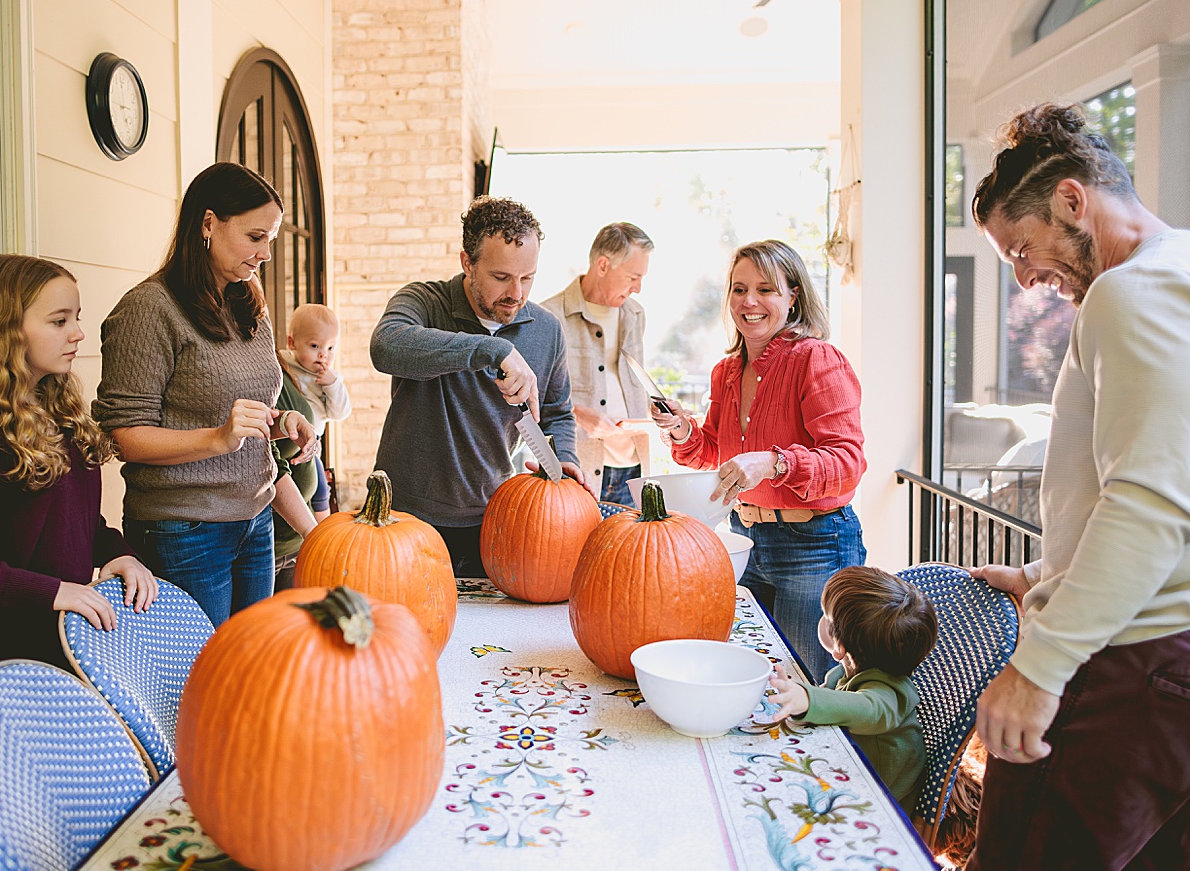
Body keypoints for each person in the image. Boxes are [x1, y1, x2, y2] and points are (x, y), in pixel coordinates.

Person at [965, 103, 1190, 870]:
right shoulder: (1181, 267)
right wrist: (1042, 573)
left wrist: (1038, 667)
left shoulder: (1128, 295)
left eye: (1022, 250)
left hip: (1124, 666)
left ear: (1072, 200)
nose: (1028, 280)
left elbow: (1152, 501)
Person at [0, 255, 159, 708]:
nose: (77, 333)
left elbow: (75, 521)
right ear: (4, 328)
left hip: (56, 651)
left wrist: (116, 554)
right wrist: (52, 591)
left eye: (76, 318)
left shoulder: (59, 410)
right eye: (59, 321)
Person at [93, 163, 318, 626]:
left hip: (255, 520)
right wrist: (218, 438)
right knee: (199, 684)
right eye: (256, 237)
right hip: (183, 532)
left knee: (247, 670)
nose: (266, 253)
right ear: (209, 223)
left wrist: (278, 422)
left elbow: (229, 407)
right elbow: (125, 436)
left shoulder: (246, 299)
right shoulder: (148, 309)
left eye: (270, 239)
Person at [650, 240, 867, 678]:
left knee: (810, 686)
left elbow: (848, 462)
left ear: (793, 297)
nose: (749, 301)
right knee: (752, 674)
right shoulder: (727, 371)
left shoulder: (815, 359)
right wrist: (682, 430)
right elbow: (715, 449)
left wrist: (773, 462)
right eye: (738, 289)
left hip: (815, 546)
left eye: (766, 289)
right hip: (746, 540)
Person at [370, 195, 585, 577]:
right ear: (467, 263)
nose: (516, 293)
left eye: (527, 277)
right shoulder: (423, 301)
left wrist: (565, 454)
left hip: (497, 521)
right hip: (405, 519)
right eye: (501, 277)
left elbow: (556, 413)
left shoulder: (547, 329)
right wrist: (492, 349)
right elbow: (386, 347)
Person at [767, 565, 937, 815]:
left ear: (839, 648)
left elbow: (866, 709)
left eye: (827, 617)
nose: (822, 619)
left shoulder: (886, 695)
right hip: (848, 770)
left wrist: (807, 699)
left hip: (882, 807)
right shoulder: (848, 671)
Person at [541, 221, 656, 503]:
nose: (638, 288)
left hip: (634, 468)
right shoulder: (548, 317)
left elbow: (629, 383)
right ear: (603, 265)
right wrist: (579, 414)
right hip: (580, 470)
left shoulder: (636, 314)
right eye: (633, 277)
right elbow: (533, 398)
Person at [279, 302, 352, 523]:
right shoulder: (284, 365)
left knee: (320, 489)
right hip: (285, 438)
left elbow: (340, 413)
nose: (323, 355)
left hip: (313, 442)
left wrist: (332, 385)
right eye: (314, 346)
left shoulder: (330, 379)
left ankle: (322, 529)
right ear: (292, 342)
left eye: (330, 348)